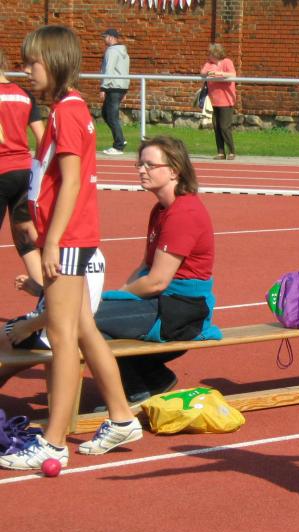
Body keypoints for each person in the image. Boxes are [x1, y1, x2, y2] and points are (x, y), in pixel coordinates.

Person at [0, 25, 141, 471]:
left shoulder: (67, 112)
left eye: (33, 63)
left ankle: (54, 440)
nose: (26, 71)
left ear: (56, 63)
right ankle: (121, 416)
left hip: (69, 240)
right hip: (69, 237)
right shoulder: (66, 109)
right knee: (82, 329)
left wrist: (53, 242)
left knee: (61, 338)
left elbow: (73, 182)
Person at [92, 136, 221, 404]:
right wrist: (117, 298)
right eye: (140, 164)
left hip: (181, 311)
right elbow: (145, 266)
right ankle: (150, 379)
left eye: (150, 165)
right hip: (163, 303)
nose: (142, 170)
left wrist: (113, 297)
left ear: (174, 170)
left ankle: (136, 389)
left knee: (86, 322)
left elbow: (156, 282)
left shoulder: (183, 213)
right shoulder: (161, 209)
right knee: (93, 320)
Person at [0, 250, 105, 386]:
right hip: (76, 327)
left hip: (51, 330)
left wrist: (27, 327)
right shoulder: (96, 255)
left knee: (4, 336)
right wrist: (38, 289)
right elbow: (70, 293)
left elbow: (63, 309)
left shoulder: (65, 254)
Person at [0, 47, 45, 284]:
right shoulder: (24, 95)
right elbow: (41, 137)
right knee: (24, 233)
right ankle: (44, 289)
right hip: (24, 170)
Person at [201, 43, 237, 160]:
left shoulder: (227, 62)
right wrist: (208, 73)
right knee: (216, 126)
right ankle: (221, 152)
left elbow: (233, 75)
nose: (209, 55)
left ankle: (231, 151)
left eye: (210, 53)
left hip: (226, 100)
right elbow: (202, 73)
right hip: (213, 101)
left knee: (224, 127)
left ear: (216, 54)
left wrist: (220, 74)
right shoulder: (208, 64)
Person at [99, 28, 130, 155]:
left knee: (111, 116)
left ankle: (119, 145)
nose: (104, 40)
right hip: (120, 87)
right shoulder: (124, 52)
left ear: (111, 37)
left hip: (112, 87)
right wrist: (125, 89)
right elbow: (125, 71)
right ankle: (120, 139)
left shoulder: (111, 51)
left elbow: (109, 70)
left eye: (105, 37)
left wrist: (103, 88)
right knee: (106, 114)